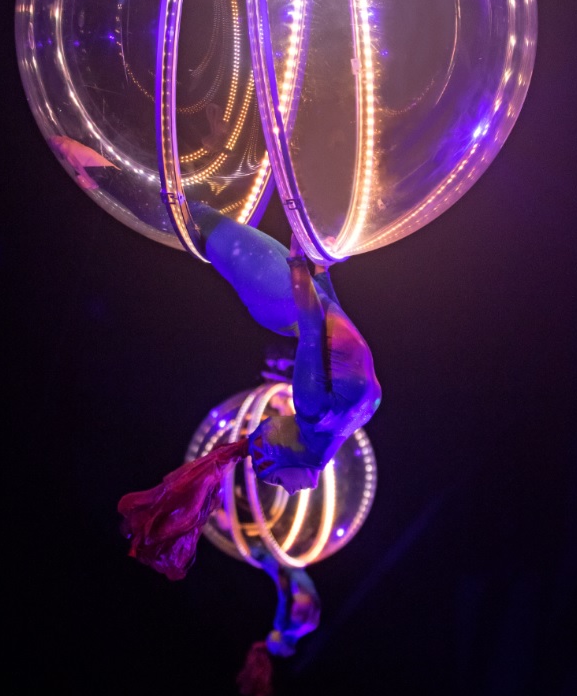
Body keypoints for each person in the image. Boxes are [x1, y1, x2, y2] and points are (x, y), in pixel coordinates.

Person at [118, 201, 382, 579]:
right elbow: (316, 322)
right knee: (195, 218)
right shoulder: (315, 411)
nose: (263, 424)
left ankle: (100, 172)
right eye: (261, 442)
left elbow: (326, 320)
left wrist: (310, 269)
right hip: (281, 295)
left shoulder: (342, 420)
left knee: (192, 217)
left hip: (283, 295)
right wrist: (307, 264)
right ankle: (102, 171)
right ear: (281, 450)